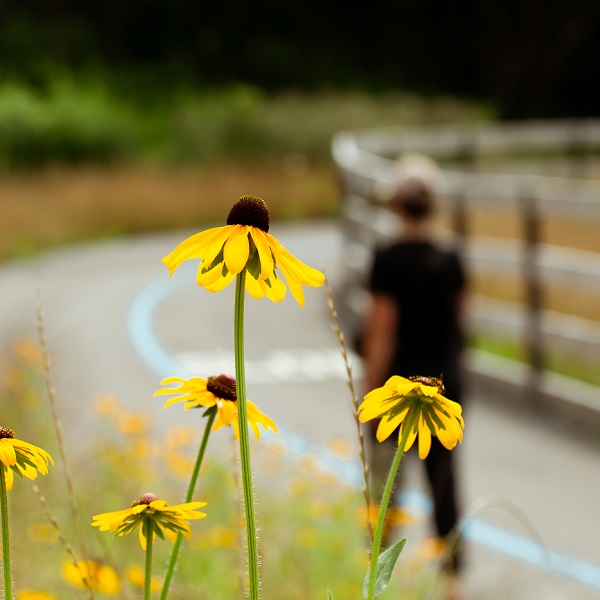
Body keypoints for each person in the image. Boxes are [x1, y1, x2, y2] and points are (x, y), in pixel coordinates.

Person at [362, 153, 468, 573]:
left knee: (386, 484)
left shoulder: (388, 258)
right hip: (446, 387)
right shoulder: (451, 257)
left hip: (396, 390)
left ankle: (376, 565)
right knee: (444, 484)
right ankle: (452, 574)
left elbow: (382, 330)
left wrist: (370, 387)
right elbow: (462, 318)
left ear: (394, 204)